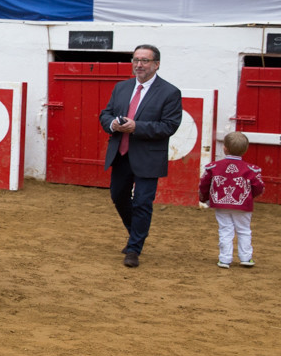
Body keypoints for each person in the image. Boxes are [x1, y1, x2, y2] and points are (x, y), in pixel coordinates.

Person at [99, 45, 183, 268]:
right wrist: (112, 124)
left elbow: (169, 126)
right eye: (136, 60)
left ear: (156, 64)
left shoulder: (169, 92)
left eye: (145, 61)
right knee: (118, 196)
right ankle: (136, 233)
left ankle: (134, 248)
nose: (139, 65)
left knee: (143, 203)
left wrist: (137, 127)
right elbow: (105, 113)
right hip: (121, 153)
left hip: (148, 156)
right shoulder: (121, 87)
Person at [199, 132, 265, 269]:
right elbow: (258, 187)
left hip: (221, 204)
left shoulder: (213, 167)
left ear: (224, 148)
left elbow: (204, 184)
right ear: (246, 149)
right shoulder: (251, 170)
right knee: (244, 230)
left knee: (225, 230)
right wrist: (250, 197)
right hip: (243, 205)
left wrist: (204, 198)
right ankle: (246, 257)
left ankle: (225, 259)